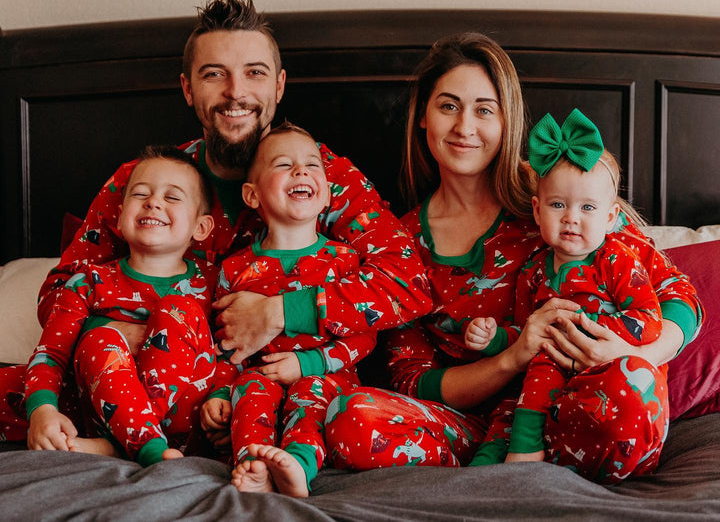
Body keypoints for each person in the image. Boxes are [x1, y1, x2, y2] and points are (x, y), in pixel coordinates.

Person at [0, 0, 431, 441]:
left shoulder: (320, 177)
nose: (236, 92)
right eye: (213, 75)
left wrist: (280, 313)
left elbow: (407, 283)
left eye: (254, 73)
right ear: (188, 88)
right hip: (131, 378)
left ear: (279, 86)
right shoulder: (147, 183)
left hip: (271, 391)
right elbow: (61, 290)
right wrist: (148, 335)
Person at [322, 32, 703, 484]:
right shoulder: (401, 243)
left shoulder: (558, 201)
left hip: (581, 403)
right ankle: (503, 469)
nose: (465, 126)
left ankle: (533, 470)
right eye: (448, 106)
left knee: (631, 387)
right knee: (349, 418)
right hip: (473, 430)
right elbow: (410, 379)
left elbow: (676, 291)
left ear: (507, 121)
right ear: (423, 116)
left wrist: (635, 351)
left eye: (484, 109)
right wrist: (512, 357)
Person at [466, 109, 663, 465]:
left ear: (609, 217)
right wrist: (493, 338)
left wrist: (589, 332)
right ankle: (495, 474)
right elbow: (526, 333)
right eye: (558, 205)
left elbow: (649, 318)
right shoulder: (533, 272)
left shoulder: (616, 259)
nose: (571, 217)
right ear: (538, 212)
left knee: (553, 370)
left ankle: (526, 456)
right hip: (544, 386)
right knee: (506, 420)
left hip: (606, 373)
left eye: (587, 207)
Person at [201, 122, 377, 497]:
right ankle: (254, 466)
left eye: (312, 165)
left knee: (309, 396)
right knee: (247, 389)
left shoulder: (343, 261)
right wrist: (218, 392)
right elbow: (225, 342)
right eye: (283, 165)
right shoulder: (235, 268)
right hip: (258, 374)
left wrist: (307, 365)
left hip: (326, 376)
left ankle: (298, 463)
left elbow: (364, 336)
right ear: (252, 195)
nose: (301, 171)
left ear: (327, 194)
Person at [25, 145, 217, 466]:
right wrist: (42, 411)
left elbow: (228, 356)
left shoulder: (212, 285)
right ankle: (127, 442)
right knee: (96, 341)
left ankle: (134, 443)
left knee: (177, 309)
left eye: (172, 197)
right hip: (98, 408)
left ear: (201, 228)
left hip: (185, 419)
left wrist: (223, 398)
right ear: (119, 216)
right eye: (140, 194)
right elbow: (51, 353)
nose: (153, 202)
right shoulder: (89, 282)